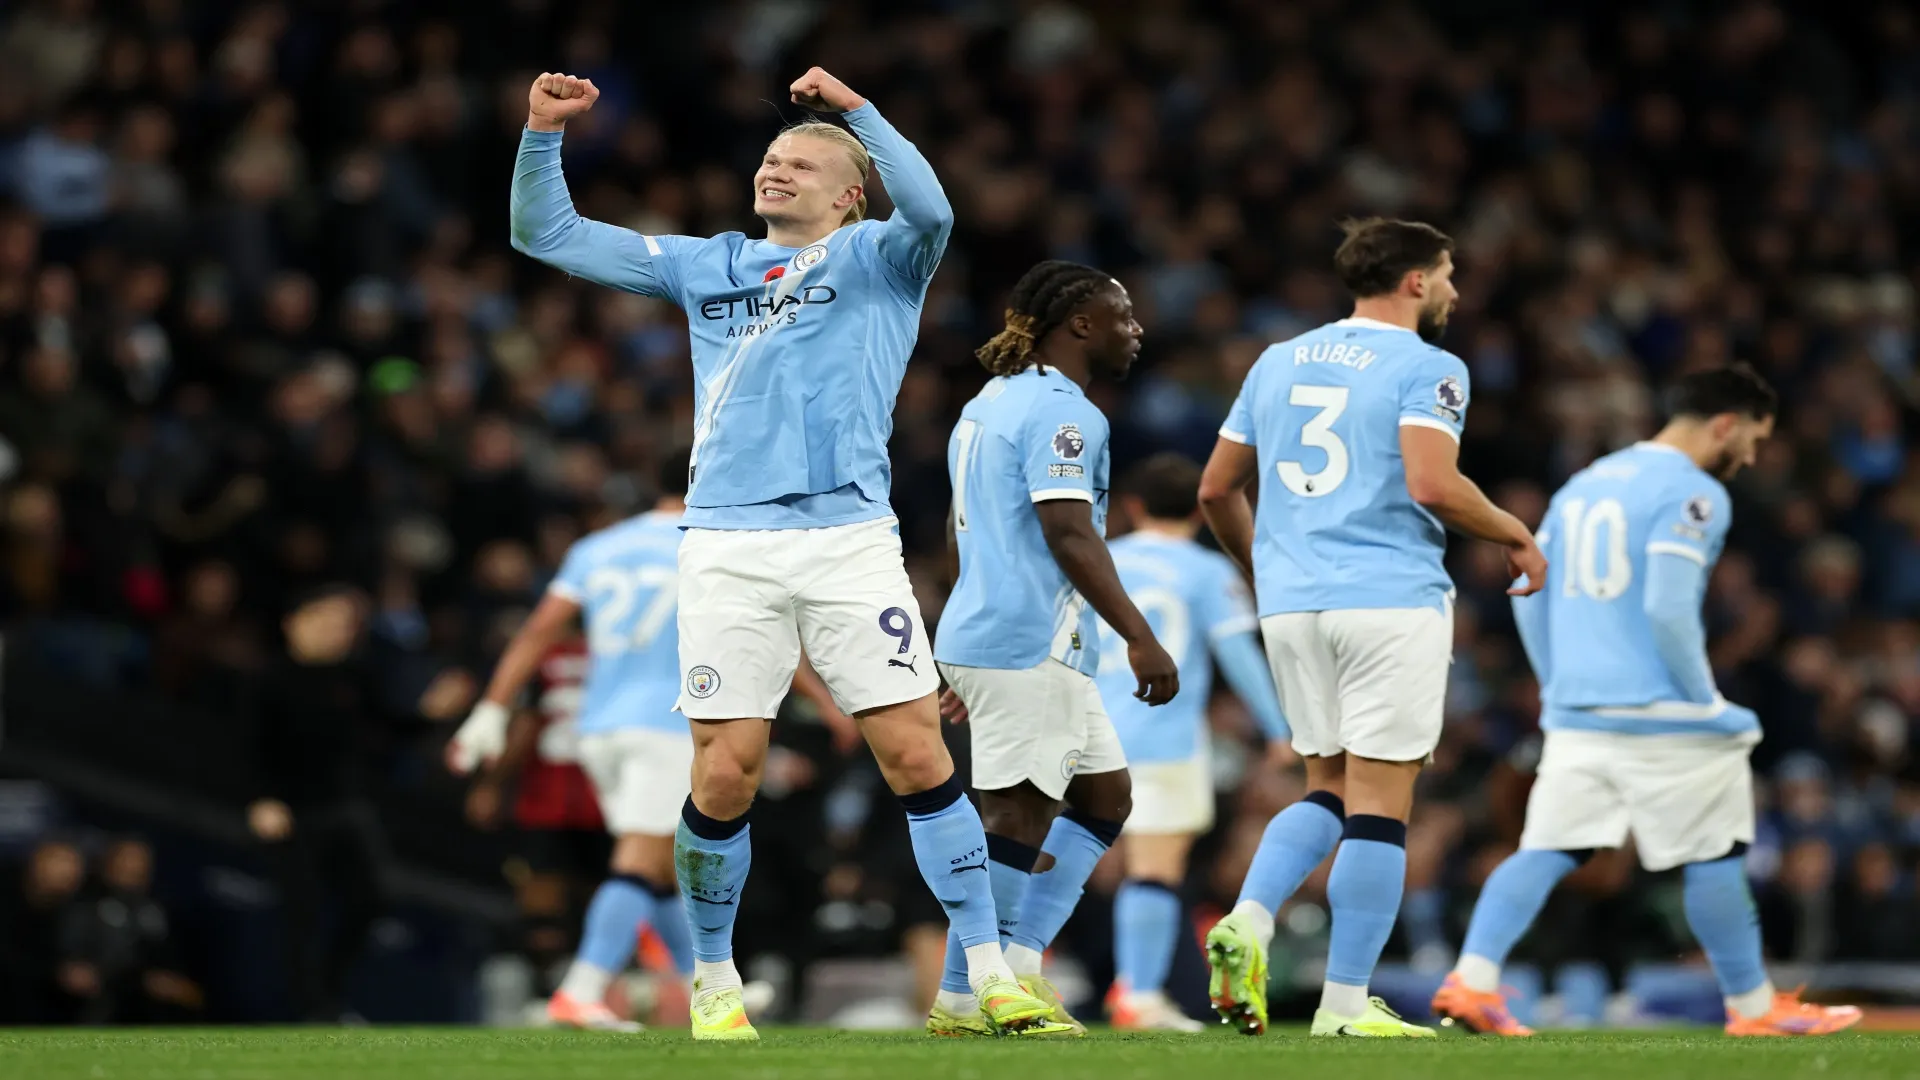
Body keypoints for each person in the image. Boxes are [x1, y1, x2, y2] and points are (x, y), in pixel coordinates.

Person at [508, 67, 1057, 1039]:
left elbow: (932, 207)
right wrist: (543, 134)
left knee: (916, 753)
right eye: (771, 158)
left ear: (849, 195)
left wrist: (858, 113)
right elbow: (545, 234)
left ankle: (983, 977)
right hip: (726, 543)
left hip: (848, 540)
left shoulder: (883, 257)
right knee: (726, 773)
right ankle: (715, 982)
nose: (777, 170)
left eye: (802, 164)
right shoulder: (703, 263)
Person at [1432, 365, 1863, 1038]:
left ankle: (1471, 982)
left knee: (1549, 847)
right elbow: (1667, 605)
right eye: (1752, 440)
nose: (1751, 457)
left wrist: (1555, 683)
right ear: (1725, 424)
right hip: (1663, 710)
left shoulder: (1582, 485)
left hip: (1580, 708)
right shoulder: (1694, 492)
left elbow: (1528, 588)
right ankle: (1754, 1010)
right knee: (1715, 853)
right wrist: (1704, 698)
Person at [1196, 217, 1546, 1038]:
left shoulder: (1277, 360)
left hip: (1293, 605)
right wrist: (1514, 532)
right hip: (1387, 598)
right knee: (1381, 808)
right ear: (1416, 280)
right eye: (1448, 273)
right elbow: (1432, 482)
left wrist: (1265, 569)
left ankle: (1248, 916)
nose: (1454, 289)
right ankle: (1345, 1005)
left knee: (1326, 786)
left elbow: (1216, 489)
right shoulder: (1429, 365)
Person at [929, 260, 1178, 1037]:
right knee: (1018, 813)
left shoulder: (988, 403)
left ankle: (1020, 963)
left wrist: (968, 634)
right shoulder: (1065, 413)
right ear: (1080, 324)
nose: (1136, 330)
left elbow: (960, 528)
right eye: (1123, 317)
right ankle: (966, 996)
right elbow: (1068, 531)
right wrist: (1141, 636)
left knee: (1106, 798)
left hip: (1003, 633)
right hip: (1027, 637)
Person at [450, 450, 697, 1031]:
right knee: (642, 858)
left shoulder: (597, 547)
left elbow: (539, 630)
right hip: (665, 722)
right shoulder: (713, 545)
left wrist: (491, 705)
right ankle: (580, 991)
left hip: (598, 725)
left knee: (661, 864)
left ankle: (707, 987)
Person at [1094, 453, 1289, 1032]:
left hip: (1086, 735)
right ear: (1200, 513)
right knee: (1153, 871)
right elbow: (1237, 652)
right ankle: (1139, 994)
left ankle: (1011, 976)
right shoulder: (1206, 571)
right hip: (1165, 738)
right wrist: (1279, 731)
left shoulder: (1096, 559)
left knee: (1052, 863)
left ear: (1133, 506)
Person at [246, 586, 392, 1023]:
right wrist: (261, 799)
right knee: (303, 911)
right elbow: (247, 745)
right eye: (325, 620)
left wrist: (432, 713)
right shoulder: (267, 678)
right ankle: (310, 1009)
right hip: (292, 812)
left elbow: (389, 727)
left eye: (344, 625)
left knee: (371, 900)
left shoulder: (354, 678)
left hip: (347, 808)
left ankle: (329, 995)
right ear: (293, 622)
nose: (336, 632)